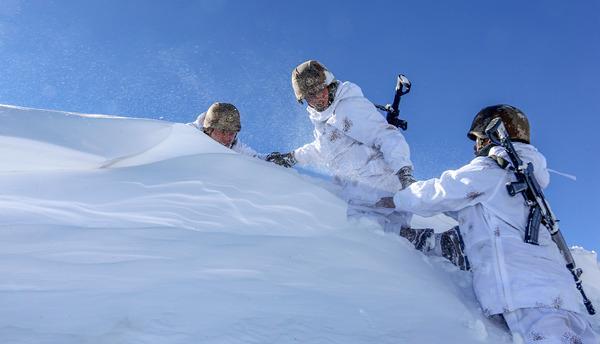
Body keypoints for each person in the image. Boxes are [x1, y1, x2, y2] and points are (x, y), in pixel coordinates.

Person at [376, 104, 598, 343]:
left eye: (478, 138)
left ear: (490, 135)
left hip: (528, 296)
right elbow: (471, 211)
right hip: (559, 296)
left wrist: (395, 199)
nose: (475, 146)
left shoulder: (491, 170)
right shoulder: (525, 180)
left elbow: (440, 192)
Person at [266, 60, 415, 232]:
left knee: (371, 235)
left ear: (328, 84)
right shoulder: (321, 120)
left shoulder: (349, 106)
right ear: (305, 100)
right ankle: (440, 243)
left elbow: (386, 135)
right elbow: (321, 150)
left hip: (380, 186)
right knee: (389, 240)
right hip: (361, 193)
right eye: (311, 96)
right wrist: (292, 157)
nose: (318, 98)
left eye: (319, 90)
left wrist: (404, 171)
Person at [189, 102, 262, 158]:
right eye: (222, 132)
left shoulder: (233, 145)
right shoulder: (188, 136)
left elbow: (255, 159)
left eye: (231, 133)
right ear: (209, 130)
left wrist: (270, 158)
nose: (227, 138)